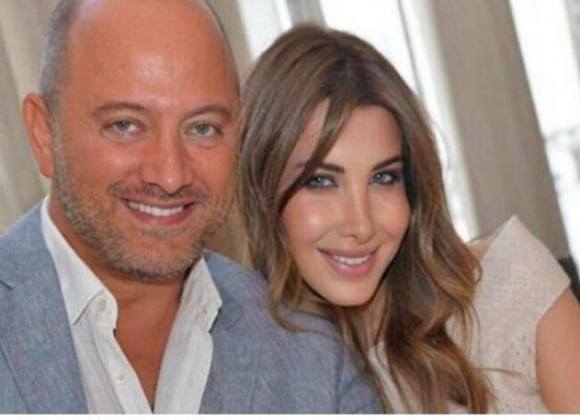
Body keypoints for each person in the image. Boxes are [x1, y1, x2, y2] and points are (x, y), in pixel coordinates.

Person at [0, 2, 380, 414]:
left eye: (202, 128)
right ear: (44, 134)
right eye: (125, 125)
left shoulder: (316, 362)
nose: (170, 176)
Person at [238, 24, 580, 413]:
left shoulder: (514, 287)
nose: (361, 225)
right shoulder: (252, 380)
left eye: (383, 178)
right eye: (320, 181)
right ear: (262, 190)